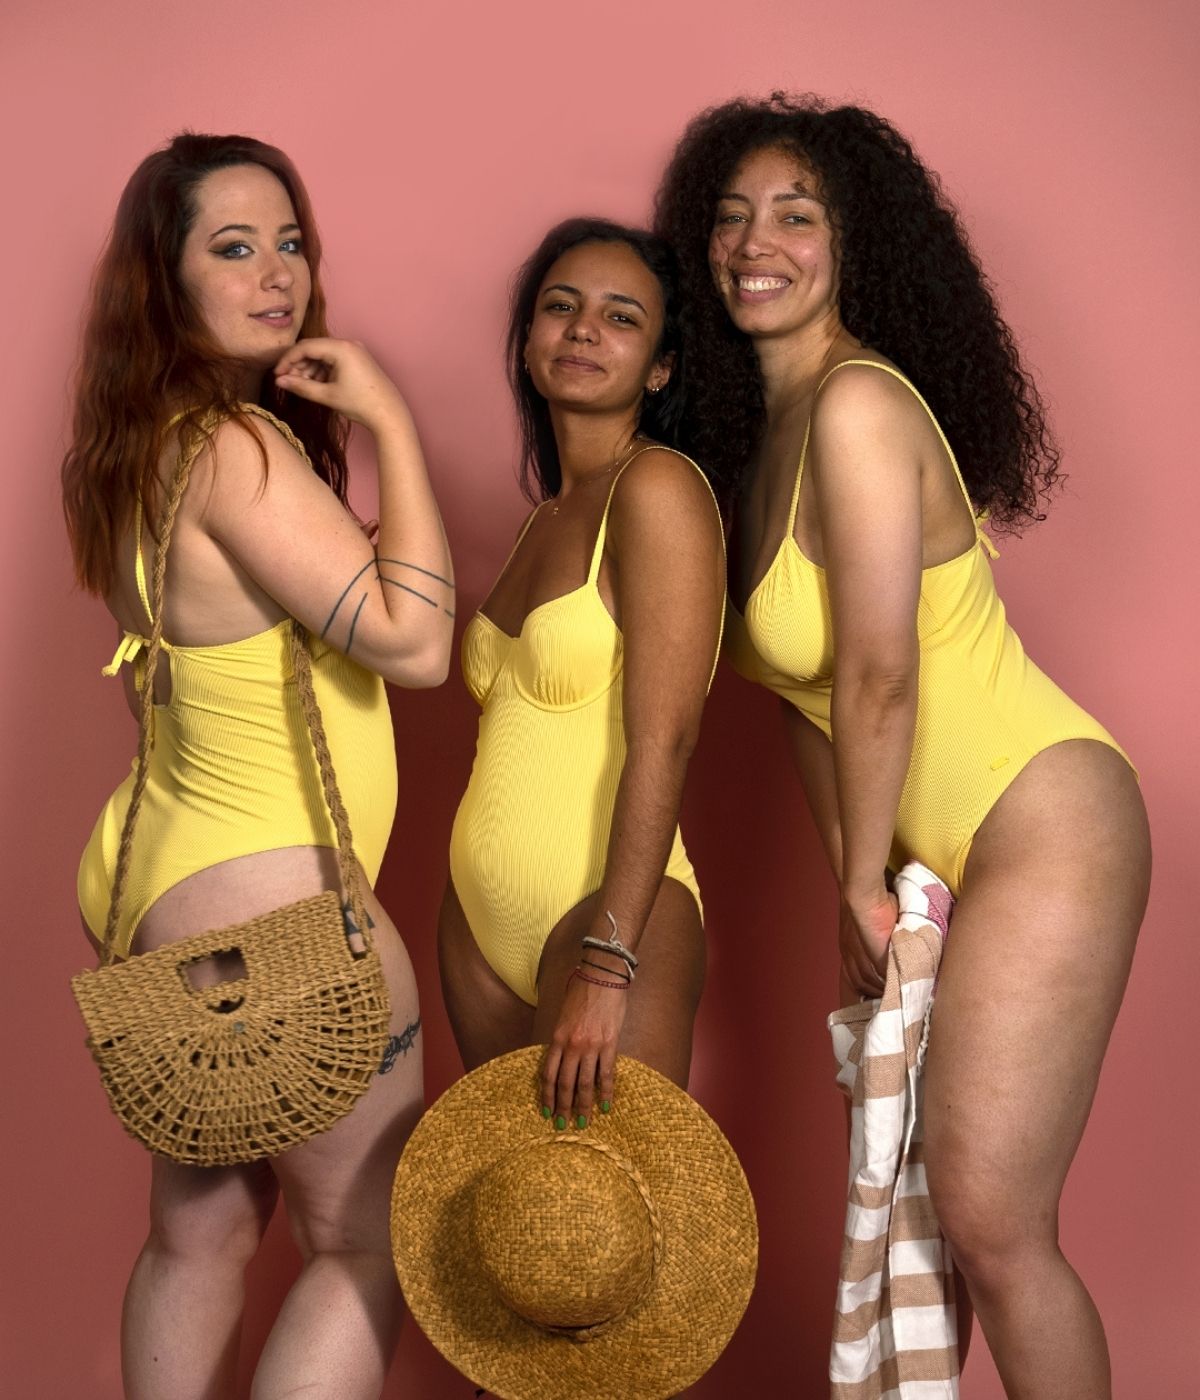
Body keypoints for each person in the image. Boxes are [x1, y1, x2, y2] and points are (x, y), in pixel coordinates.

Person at [655, 95, 1151, 1399]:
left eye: (796, 216)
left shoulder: (860, 405)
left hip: (1041, 812)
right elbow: (807, 703)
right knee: (941, 1225)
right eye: (731, 218)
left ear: (855, 244)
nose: (754, 243)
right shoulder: (764, 443)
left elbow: (880, 671)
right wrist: (859, 878)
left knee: (994, 1219)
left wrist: (861, 876)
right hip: (936, 855)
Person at [62, 133, 453, 1400]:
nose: (278, 272)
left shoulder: (138, 451)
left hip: (165, 896)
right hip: (282, 915)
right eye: (234, 247)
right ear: (164, 279)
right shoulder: (239, 449)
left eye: (291, 242)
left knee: (199, 1240)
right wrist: (389, 418)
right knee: (364, 1242)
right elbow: (417, 641)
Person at [438, 219, 726, 1130]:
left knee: (610, 1209)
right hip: (478, 932)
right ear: (529, 344)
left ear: (660, 368)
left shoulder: (659, 489)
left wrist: (610, 959)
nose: (583, 329)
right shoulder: (546, 517)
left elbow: (667, 738)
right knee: (520, 1214)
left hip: (609, 918)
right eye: (560, 307)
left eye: (620, 317)